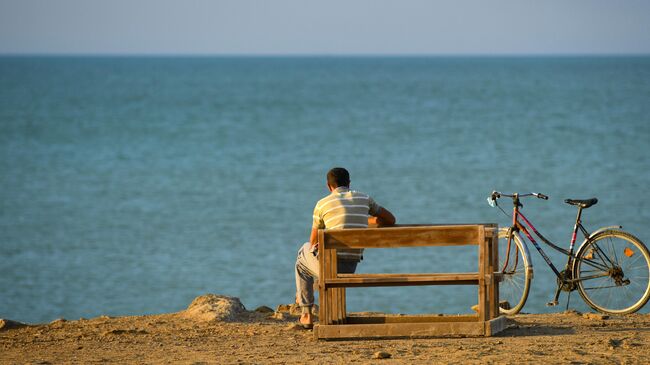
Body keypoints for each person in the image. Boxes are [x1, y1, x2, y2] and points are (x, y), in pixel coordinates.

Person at [294, 167, 396, 328]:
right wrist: (366, 221)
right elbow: (390, 219)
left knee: (302, 256)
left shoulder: (322, 204)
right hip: (350, 267)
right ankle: (315, 303)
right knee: (320, 261)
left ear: (329, 186)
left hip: (329, 269)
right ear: (349, 183)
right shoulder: (365, 199)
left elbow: (313, 243)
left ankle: (306, 313)